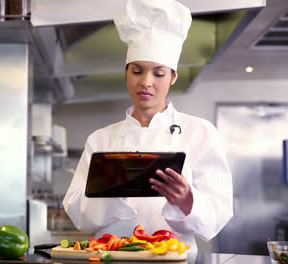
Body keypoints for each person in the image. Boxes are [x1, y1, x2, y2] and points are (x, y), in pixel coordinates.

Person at [63, 0, 233, 253]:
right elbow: (79, 215)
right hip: (111, 256)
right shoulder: (100, 140)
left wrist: (188, 201)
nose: (146, 82)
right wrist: (113, 193)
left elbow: (217, 216)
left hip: (175, 258)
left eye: (158, 73)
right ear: (126, 73)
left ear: (173, 77)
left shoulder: (201, 133)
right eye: (137, 71)